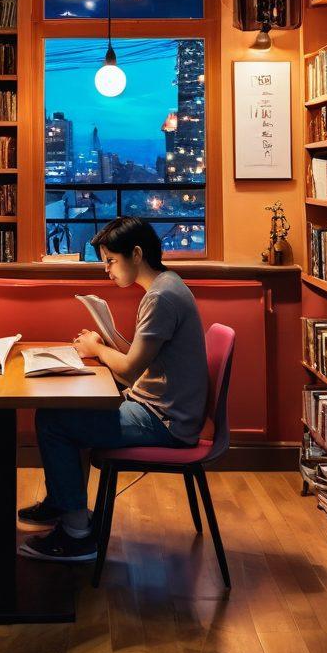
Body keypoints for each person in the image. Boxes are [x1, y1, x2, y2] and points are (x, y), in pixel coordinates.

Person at [19, 216, 208, 562]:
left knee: (53, 421)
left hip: (165, 421)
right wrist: (104, 345)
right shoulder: (167, 285)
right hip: (161, 409)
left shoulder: (161, 297)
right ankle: (63, 504)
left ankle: (76, 534)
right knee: (66, 412)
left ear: (136, 253)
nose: (106, 270)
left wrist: (96, 349)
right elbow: (142, 361)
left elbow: (131, 370)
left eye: (110, 261)